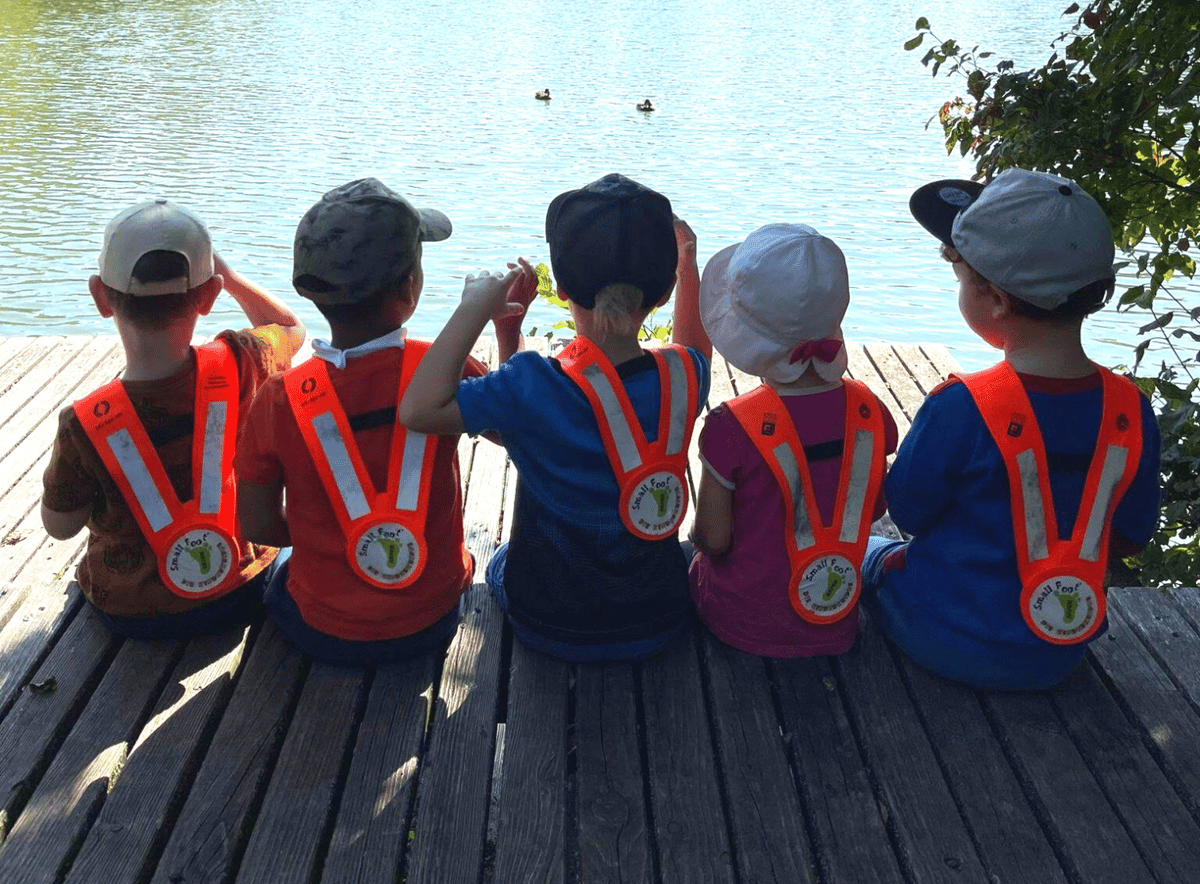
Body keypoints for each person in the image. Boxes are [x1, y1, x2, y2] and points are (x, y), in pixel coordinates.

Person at [862, 168, 1162, 690]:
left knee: (870, 549)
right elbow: (1131, 535)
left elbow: (908, 512)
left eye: (961, 282)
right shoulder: (1131, 410)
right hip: (1058, 653)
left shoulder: (960, 406)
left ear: (997, 301)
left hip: (937, 634)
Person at [400, 172, 712, 661]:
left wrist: (477, 311)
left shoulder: (528, 383)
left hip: (548, 621)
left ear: (561, 287)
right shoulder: (686, 377)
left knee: (499, 557)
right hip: (658, 617)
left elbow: (420, 409)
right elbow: (692, 346)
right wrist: (688, 260)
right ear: (664, 292)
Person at [236, 177, 526, 665]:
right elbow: (520, 428)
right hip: (431, 620)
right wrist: (507, 331)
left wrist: (328, 541)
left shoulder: (278, 399)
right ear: (410, 287)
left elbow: (258, 523)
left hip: (322, 629)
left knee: (279, 570)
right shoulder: (446, 371)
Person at [40, 199, 304, 639]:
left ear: (100, 297)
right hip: (241, 588)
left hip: (135, 612)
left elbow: (60, 527)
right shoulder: (244, 360)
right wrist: (230, 278)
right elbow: (291, 329)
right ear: (209, 295)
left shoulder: (83, 424)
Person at [689, 224, 899, 657]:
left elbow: (712, 539)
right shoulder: (872, 412)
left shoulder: (730, 427)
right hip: (836, 622)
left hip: (739, 622)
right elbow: (874, 509)